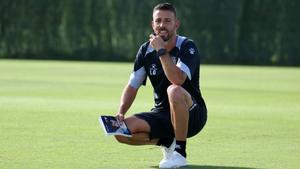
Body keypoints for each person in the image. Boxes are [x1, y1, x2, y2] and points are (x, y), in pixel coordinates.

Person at [114, 2, 207, 168]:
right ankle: (167, 141)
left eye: (167, 21)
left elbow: (177, 80)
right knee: (120, 132)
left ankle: (180, 152)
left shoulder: (187, 46)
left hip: (193, 113)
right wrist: (121, 112)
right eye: (158, 21)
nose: (162, 25)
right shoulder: (145, 50)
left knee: (174, 90)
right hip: (162, 114)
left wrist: (161, 51)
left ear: (176, 24)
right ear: (152, 24)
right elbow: (132, 86)